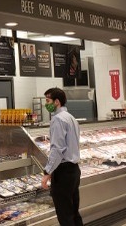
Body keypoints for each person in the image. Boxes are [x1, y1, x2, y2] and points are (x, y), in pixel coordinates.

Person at [41, 87, 83, 226]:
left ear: (57, 102)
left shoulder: (58, 119)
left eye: (48, 101)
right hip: (74, 170)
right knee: (74, 212)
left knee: (65, 216)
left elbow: (57, 149)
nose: (46, 104)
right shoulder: (71, 117)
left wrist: (47, 172)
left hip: (63, 172)